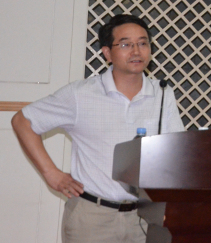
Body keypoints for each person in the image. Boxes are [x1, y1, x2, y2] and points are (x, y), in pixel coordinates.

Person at [12, 14, 184, 243]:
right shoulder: (81, 94)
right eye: (126, 44)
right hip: (92, 217)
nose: (136, 51)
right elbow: (23, 121)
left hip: (144, 217)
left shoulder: (162, 93)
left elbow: (177, 149)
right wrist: (51, 173)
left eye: (143, 43)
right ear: (107, 53)